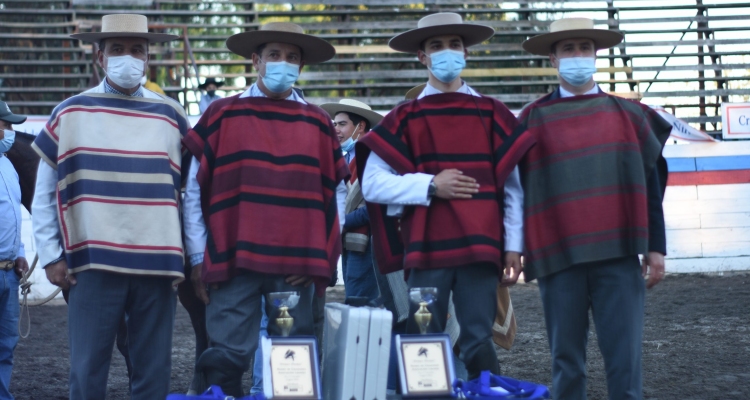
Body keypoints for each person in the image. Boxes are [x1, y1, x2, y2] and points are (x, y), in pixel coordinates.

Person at [356, 12, 535, 379]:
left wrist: (514, 245)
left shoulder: (492, 113)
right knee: (423, 338)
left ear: (466, 52)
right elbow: (372, 184)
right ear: (422, 56)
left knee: (477, 340)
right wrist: (430, 185)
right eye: (436, 46)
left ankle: (486, 391)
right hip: (426, 252)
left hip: (480, 250)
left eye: (454, 45)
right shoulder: (403, 117)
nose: (447, 52)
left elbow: (514, 189)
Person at [182, 22, 348, 396]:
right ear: (256, 60)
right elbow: (193, 191)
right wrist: (197, 257)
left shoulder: (319, 123)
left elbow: (335, 194)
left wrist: (322, 255)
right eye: (274, 55)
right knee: (224, 359)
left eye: (292, 57)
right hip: (231, 262)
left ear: (301, 67)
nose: (282, 63)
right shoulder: (221, 115)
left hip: (296, 268)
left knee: (293, 363)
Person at [31, 14, 189, 400]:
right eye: (117, 49)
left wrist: (194, 257)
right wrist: (52, 256)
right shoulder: (69, 113)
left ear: (148, 57)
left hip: (156, 265)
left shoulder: (172, 116)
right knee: (87, 373)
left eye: (137, 49)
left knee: (153, 374)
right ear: (100, 57)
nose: (128, 58)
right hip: (92, 264)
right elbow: (44, 193)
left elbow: (190, 194)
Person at [519, 17, 671, 400]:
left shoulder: (630, 115)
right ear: (553, 59)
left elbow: (651, 182)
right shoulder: (529, 121)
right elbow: (512, 190)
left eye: (583, 48)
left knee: (625, 364)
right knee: (566, 363)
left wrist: (656, 246)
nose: (577, 56)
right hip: (557, 257)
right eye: (567, 49)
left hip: (618, 255)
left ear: (596, 55)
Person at [320, 99, 383, 301]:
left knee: (360, 302)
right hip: (349, 241)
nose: (336, 129)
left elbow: (375, 206)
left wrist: (341, 221)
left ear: (360, 126)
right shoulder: (339, 156)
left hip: (367, 239)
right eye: (334, 124)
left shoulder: (374, 155)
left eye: (342, 124)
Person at [0, 102, 28, 400]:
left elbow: (13, 216)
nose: (11, 131)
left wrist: (19, 250)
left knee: (6, 345)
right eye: (6, 125)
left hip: (9, 271)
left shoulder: (7, 165)